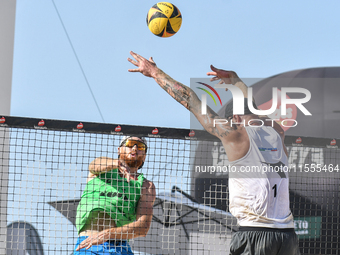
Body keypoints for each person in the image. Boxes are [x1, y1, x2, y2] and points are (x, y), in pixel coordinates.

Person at [127, 51, 300, 255]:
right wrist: (237, 82)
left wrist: (155, 73)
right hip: (288, 237)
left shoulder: (236, 134)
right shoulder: (277, 132)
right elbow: (254, 111)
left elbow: (190, 100)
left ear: (234, 117)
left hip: (255, 233)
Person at [74, 136, 156, 255]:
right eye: (130, 143)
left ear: (144, 156)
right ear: (119, 149)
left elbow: (142, 227)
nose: (134, 148)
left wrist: (108, 234)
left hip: (120, 248)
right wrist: (116, 164)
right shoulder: (101, 170)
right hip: (89, 245)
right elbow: (93, 164)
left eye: (140, 146)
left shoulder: (146, 185)